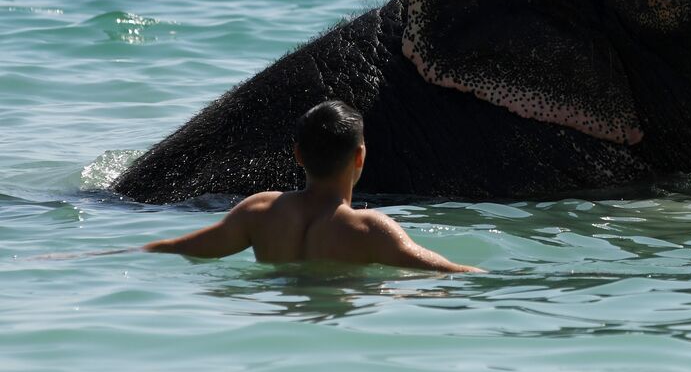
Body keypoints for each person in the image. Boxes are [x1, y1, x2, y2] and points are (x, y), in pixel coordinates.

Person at [143, 100, 482, 273]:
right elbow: (445, 273)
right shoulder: (368, 229)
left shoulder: (259, 211)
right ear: (360, 156)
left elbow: (180, 247)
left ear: (298, 155)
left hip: (277, 312)